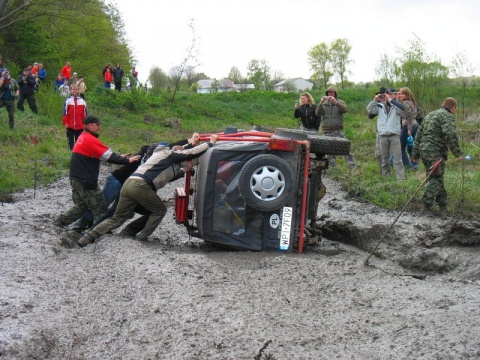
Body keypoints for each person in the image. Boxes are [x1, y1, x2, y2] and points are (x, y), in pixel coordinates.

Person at [77, 133, 219, 247]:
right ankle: (141, 238)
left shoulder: (160, 157)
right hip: (141, 186)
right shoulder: (169, 154)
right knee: (160, 210)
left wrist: (188, 155)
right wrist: (210, 143)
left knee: (117, 217)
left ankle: (89, 236)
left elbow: (178, 164)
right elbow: (189, 153)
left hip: (128, 184)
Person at [53, 115, 141, 228]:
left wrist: (119, 157)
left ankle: (61, 221)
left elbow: (98, 155)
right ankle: (102, 232)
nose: (99, 127)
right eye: (97, 125)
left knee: (83, 206)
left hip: (75, 178)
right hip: (86, 180)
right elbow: (107, 155)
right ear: (90, 125)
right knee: (100, 207)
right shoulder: (90, 139)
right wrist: (127, 161)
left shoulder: (82, 137)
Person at [411, 97, 464, 219]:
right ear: (453, 108)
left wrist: (415, 154)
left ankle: (442, 207)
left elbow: (419, 134)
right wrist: (458, 153)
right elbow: (450, 134)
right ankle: (425, 207)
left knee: (437, 177)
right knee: (436, 179)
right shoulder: (447, 116)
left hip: (424, 150)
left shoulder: (430, 115)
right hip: (434, 152)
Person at [366, 87, 405, 180]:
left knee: (398, 159)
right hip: (382, 135)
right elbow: (369, 109)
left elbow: (402, 111)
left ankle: (401, 179)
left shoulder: (397, 105)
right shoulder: (380, 106)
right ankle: (386, 178)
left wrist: (390, 100)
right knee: (384, 160)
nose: (387, 95)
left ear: (394, 95)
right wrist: (375, 100)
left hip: (394, 135)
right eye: (386, 94)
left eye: (390, 94)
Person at [315, 85, 355, 168]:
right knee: (329, 151)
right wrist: (320, 103)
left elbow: (344, 110)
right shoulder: (324, 104)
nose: (330, 94)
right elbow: (317, 113)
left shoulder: (340, 102)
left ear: (335, 94)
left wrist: (336, 103)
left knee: (345, 148)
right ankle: (332, 167)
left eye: (332, 93)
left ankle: (352, 166)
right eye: (329, 93)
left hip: (338, 130)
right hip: (326, 130)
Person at [397, 87, 419, 170]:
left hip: (408, 125)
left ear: (406, 94)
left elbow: (409, 116)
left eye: (402, 94)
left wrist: (409, 129)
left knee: (401, 147)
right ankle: (415, 163)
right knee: (411, 145)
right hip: (415, 124)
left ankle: (408, 166)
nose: (400, 95)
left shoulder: (405, 103)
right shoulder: (412, 102)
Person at [62, 84, 87, 150]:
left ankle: (77, 154)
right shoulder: (68, 100)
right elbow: (65, 112)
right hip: (70, 125)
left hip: (80, 125)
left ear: (78, 90)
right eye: (73, 89)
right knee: (70, 141)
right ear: (71, 90)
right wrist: (65, 123)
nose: (75, 91)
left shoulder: (82, 100)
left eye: (76, 89)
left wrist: (85, 123)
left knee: (79, 142)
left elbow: (85, 113)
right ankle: (70, 153)